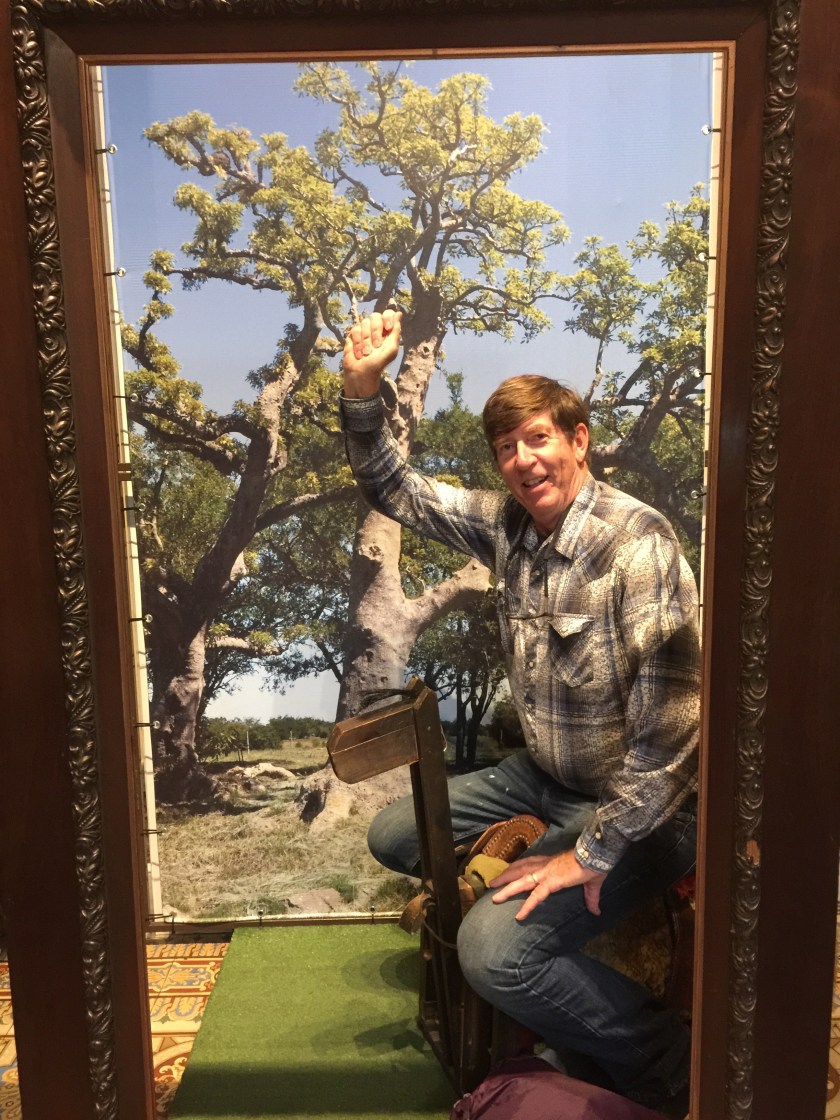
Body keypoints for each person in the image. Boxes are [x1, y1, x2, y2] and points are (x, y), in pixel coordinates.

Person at [339, 309, 699, 1114]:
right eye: (506, 447)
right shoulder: (510, 525)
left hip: (646, 811)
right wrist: (363, 388)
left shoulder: (637, 546)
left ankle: (670, 1062)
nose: (523, 459)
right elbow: (395, 487)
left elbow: (673, 731)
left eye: (538, 438)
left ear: (579, 441)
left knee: (493, 955)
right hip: (543, 778)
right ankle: (528, 851)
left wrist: (591, 855)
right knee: (396, 835)